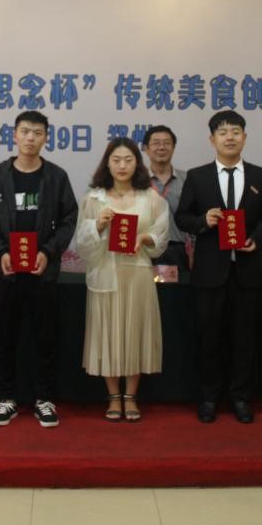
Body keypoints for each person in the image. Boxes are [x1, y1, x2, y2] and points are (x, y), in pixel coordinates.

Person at [174, 110, 262, 424]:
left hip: (247, 271)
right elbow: (182, 217)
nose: (230, 137)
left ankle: (241, 398)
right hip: (210, 273)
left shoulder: (260, 175)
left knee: (244, 338)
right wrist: (203, 221)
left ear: (245, 137)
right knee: (209, 338)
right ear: (212, 140)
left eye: (235, 131)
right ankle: (208, 398)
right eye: (223, 132)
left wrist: (256, 239)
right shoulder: (197, 176)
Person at [0, 110, 78, 428]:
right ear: (14, 135)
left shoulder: (57, 177)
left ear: (46, 137)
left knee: (44, 337)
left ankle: (44, 399)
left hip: (42, 272)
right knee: (5, 336)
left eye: (37, 132)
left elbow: (68, 220)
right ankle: (6, 398)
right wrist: (1, 251)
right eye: (25, 131)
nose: (31, 138)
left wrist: (48, 252)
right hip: (7, 271)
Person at [75, 138, 169, 421]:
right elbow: (82, 244)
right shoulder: (93, 199)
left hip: (138, 274)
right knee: (109, 333)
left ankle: (131, 397)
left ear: (137, 163)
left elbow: (161, 234)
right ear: (107, 164)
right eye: (116, 160)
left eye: (128, 159)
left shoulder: (150, 198)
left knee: (134, 333)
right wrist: (98, 225)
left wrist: (145, 237)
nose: (122, 165)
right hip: (105, 272)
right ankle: (114, 396)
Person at [141, 125, 190, 276]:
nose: (161, 147)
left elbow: (194, 216)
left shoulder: (188, 180)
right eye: (156, 143)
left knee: (175, 291)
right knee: (144, 290)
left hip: (177, 250)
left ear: (173, 148)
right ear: (146, 148)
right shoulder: (136, 181)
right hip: (143, 249)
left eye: (167, 143)